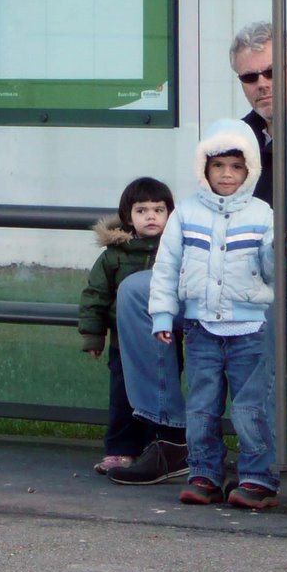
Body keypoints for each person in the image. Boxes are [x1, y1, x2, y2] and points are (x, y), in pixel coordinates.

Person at [107, 21, 287, 486]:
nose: (261, 85)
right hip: (235, 276)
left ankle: (263, 457)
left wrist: (272, 257)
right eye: (249, 77)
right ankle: (173, 438)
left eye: (271, 72)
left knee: (280, 306)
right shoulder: (239, 137)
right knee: (138, 291)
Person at [148, 119, 287, 509]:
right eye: (218, 166)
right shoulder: (186, 213)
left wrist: (283, 251)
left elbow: (274, 270)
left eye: (236, 166)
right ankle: (205, 474)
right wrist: (163, 315)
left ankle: (258, 477)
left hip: (250, 330)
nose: (226, 175)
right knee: (201, 406)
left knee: (250, 408)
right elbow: (166, 267)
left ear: (250, 171)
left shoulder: (264, 214)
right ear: (204, 168)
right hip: (200, 329)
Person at [78, 176, 174, 475]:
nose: (151, 217)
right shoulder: (114, 256)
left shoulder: (174, 251)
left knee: (161, 395)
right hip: (124, 344)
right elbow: (95, 296)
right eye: (142, 210)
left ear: (170, 214)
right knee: (123, 398)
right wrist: (94, 336)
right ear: (127, 216)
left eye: (158, 210)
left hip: (166, 342)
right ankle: (120, 450)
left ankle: (154, 448)